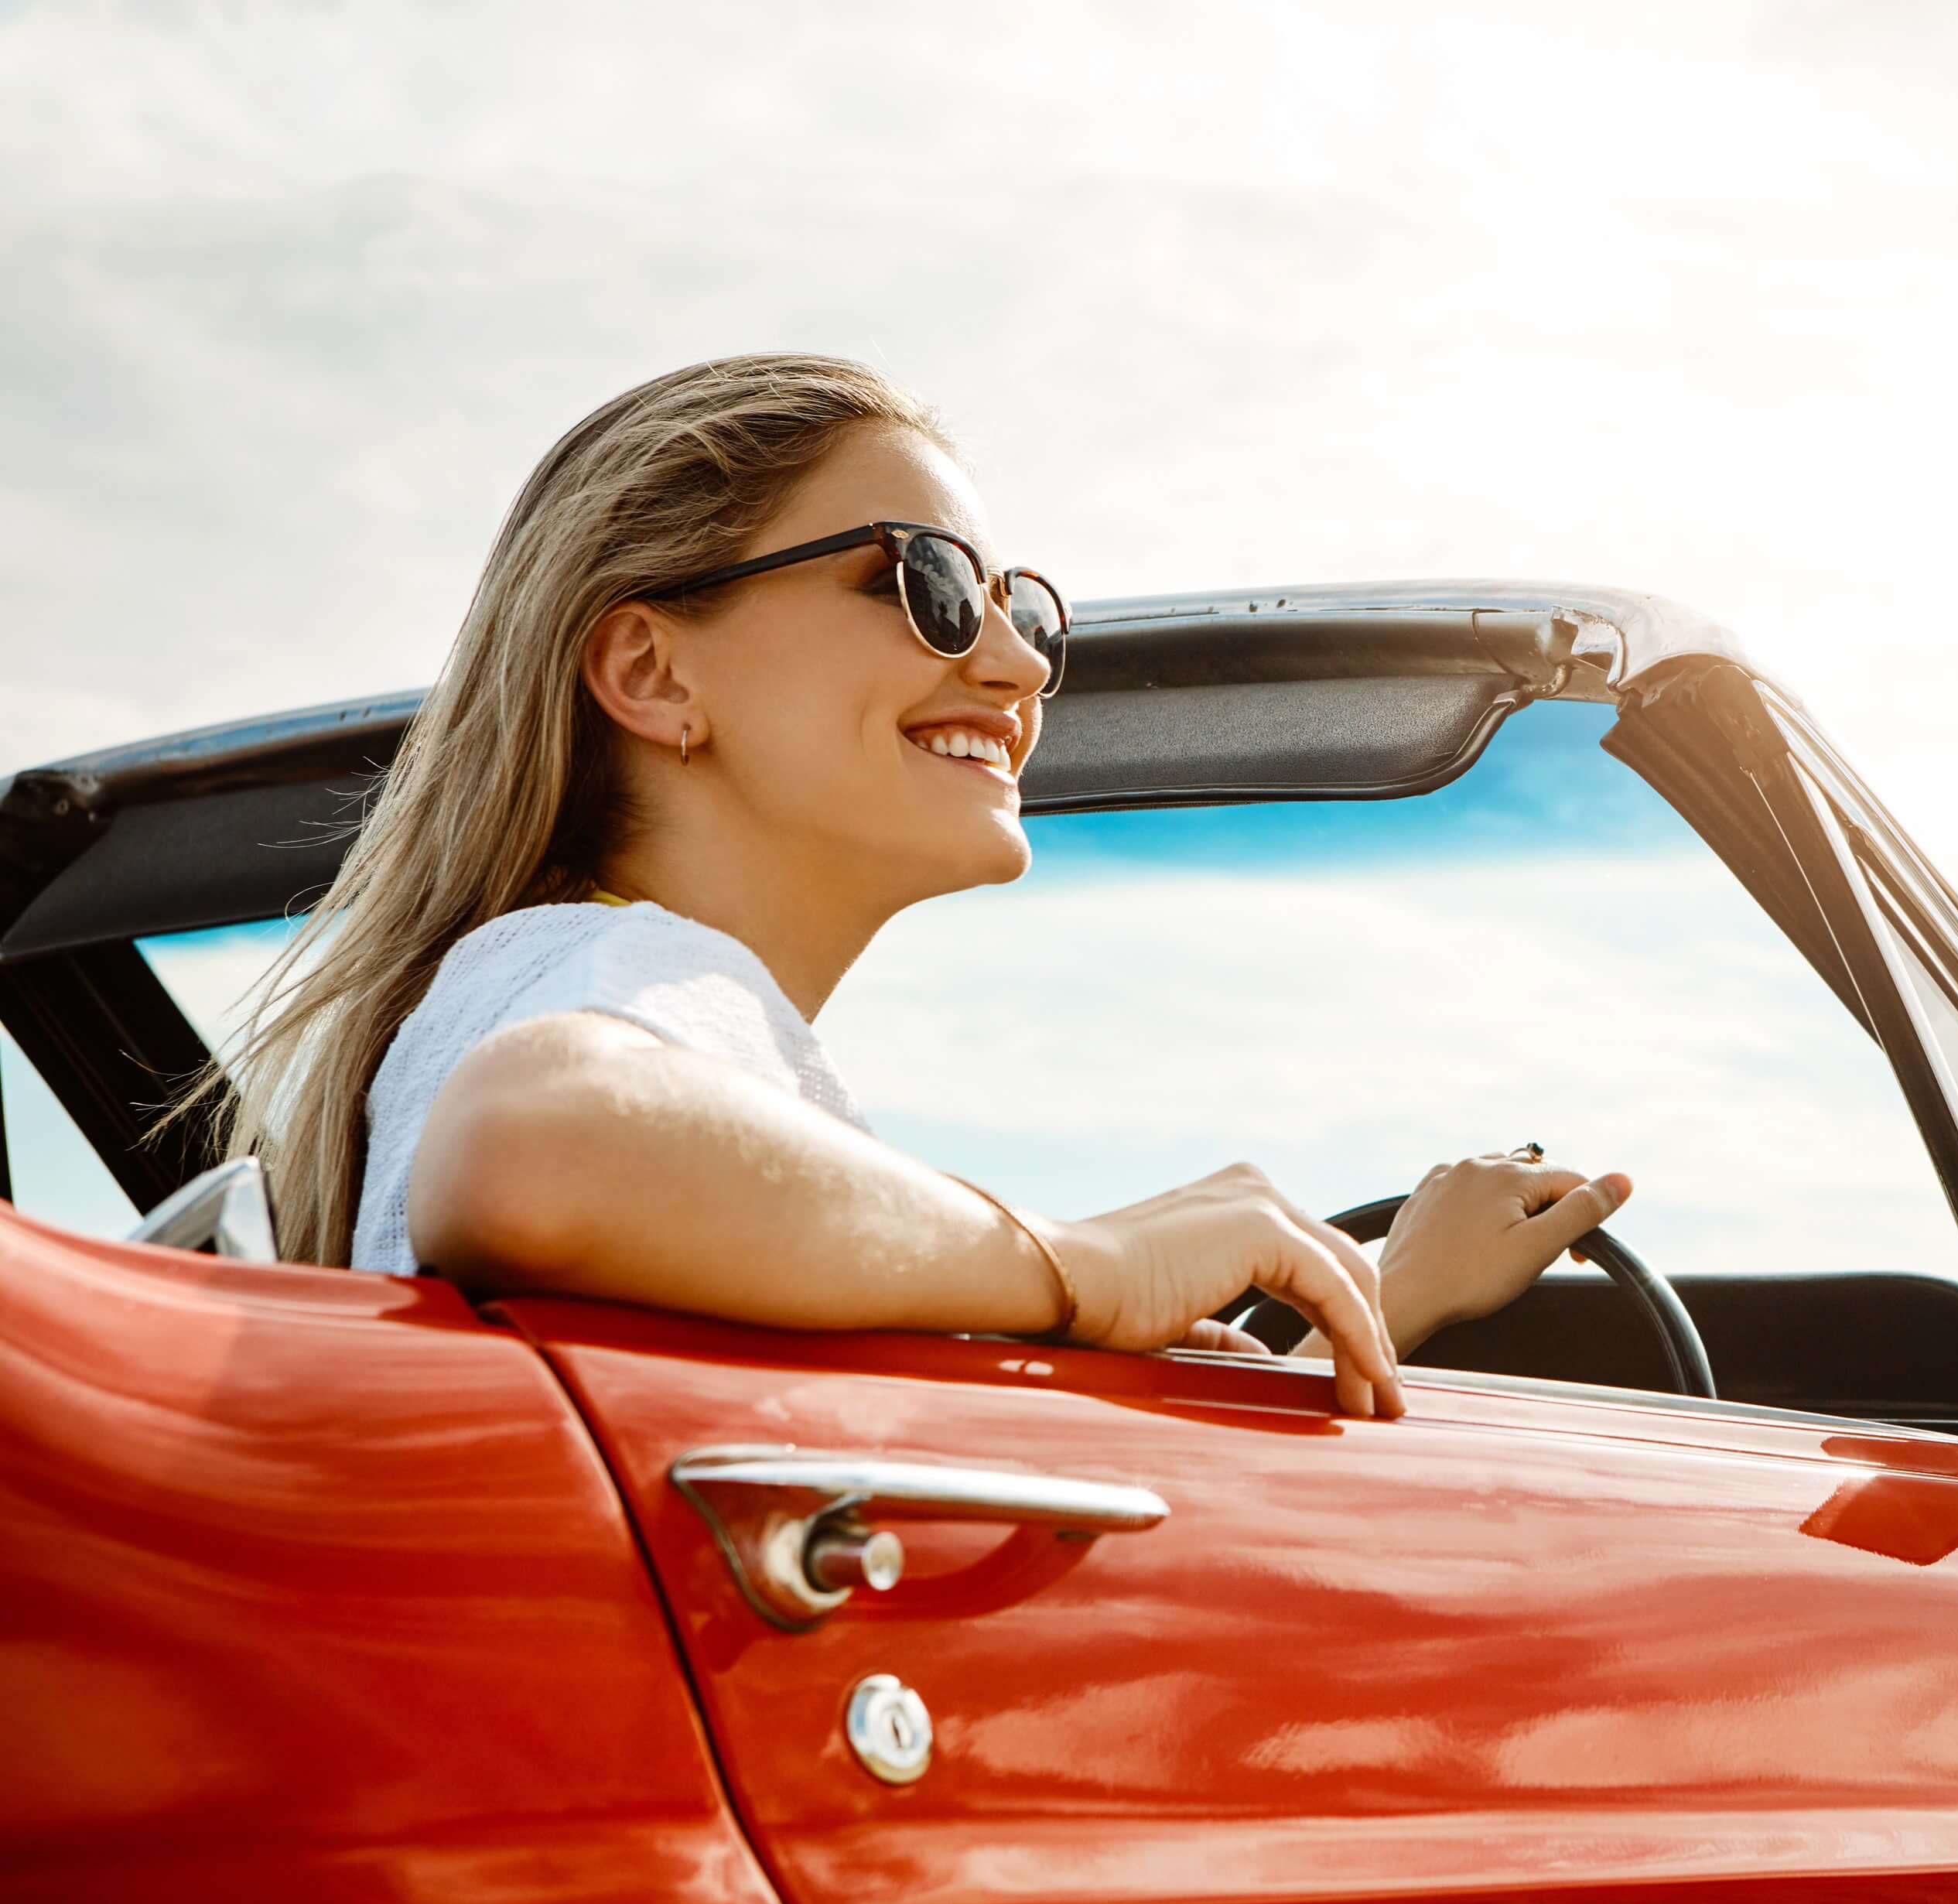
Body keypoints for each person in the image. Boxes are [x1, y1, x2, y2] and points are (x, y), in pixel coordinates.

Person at [195, 353, 1628, 1418]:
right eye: (930, 585)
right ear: (651, 671)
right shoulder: (608, 986)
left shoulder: (628, 1017)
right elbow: (539, 1145)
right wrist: (1083, 1265)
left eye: (1023, 606)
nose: (1015, 666)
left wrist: (1387, 1297)